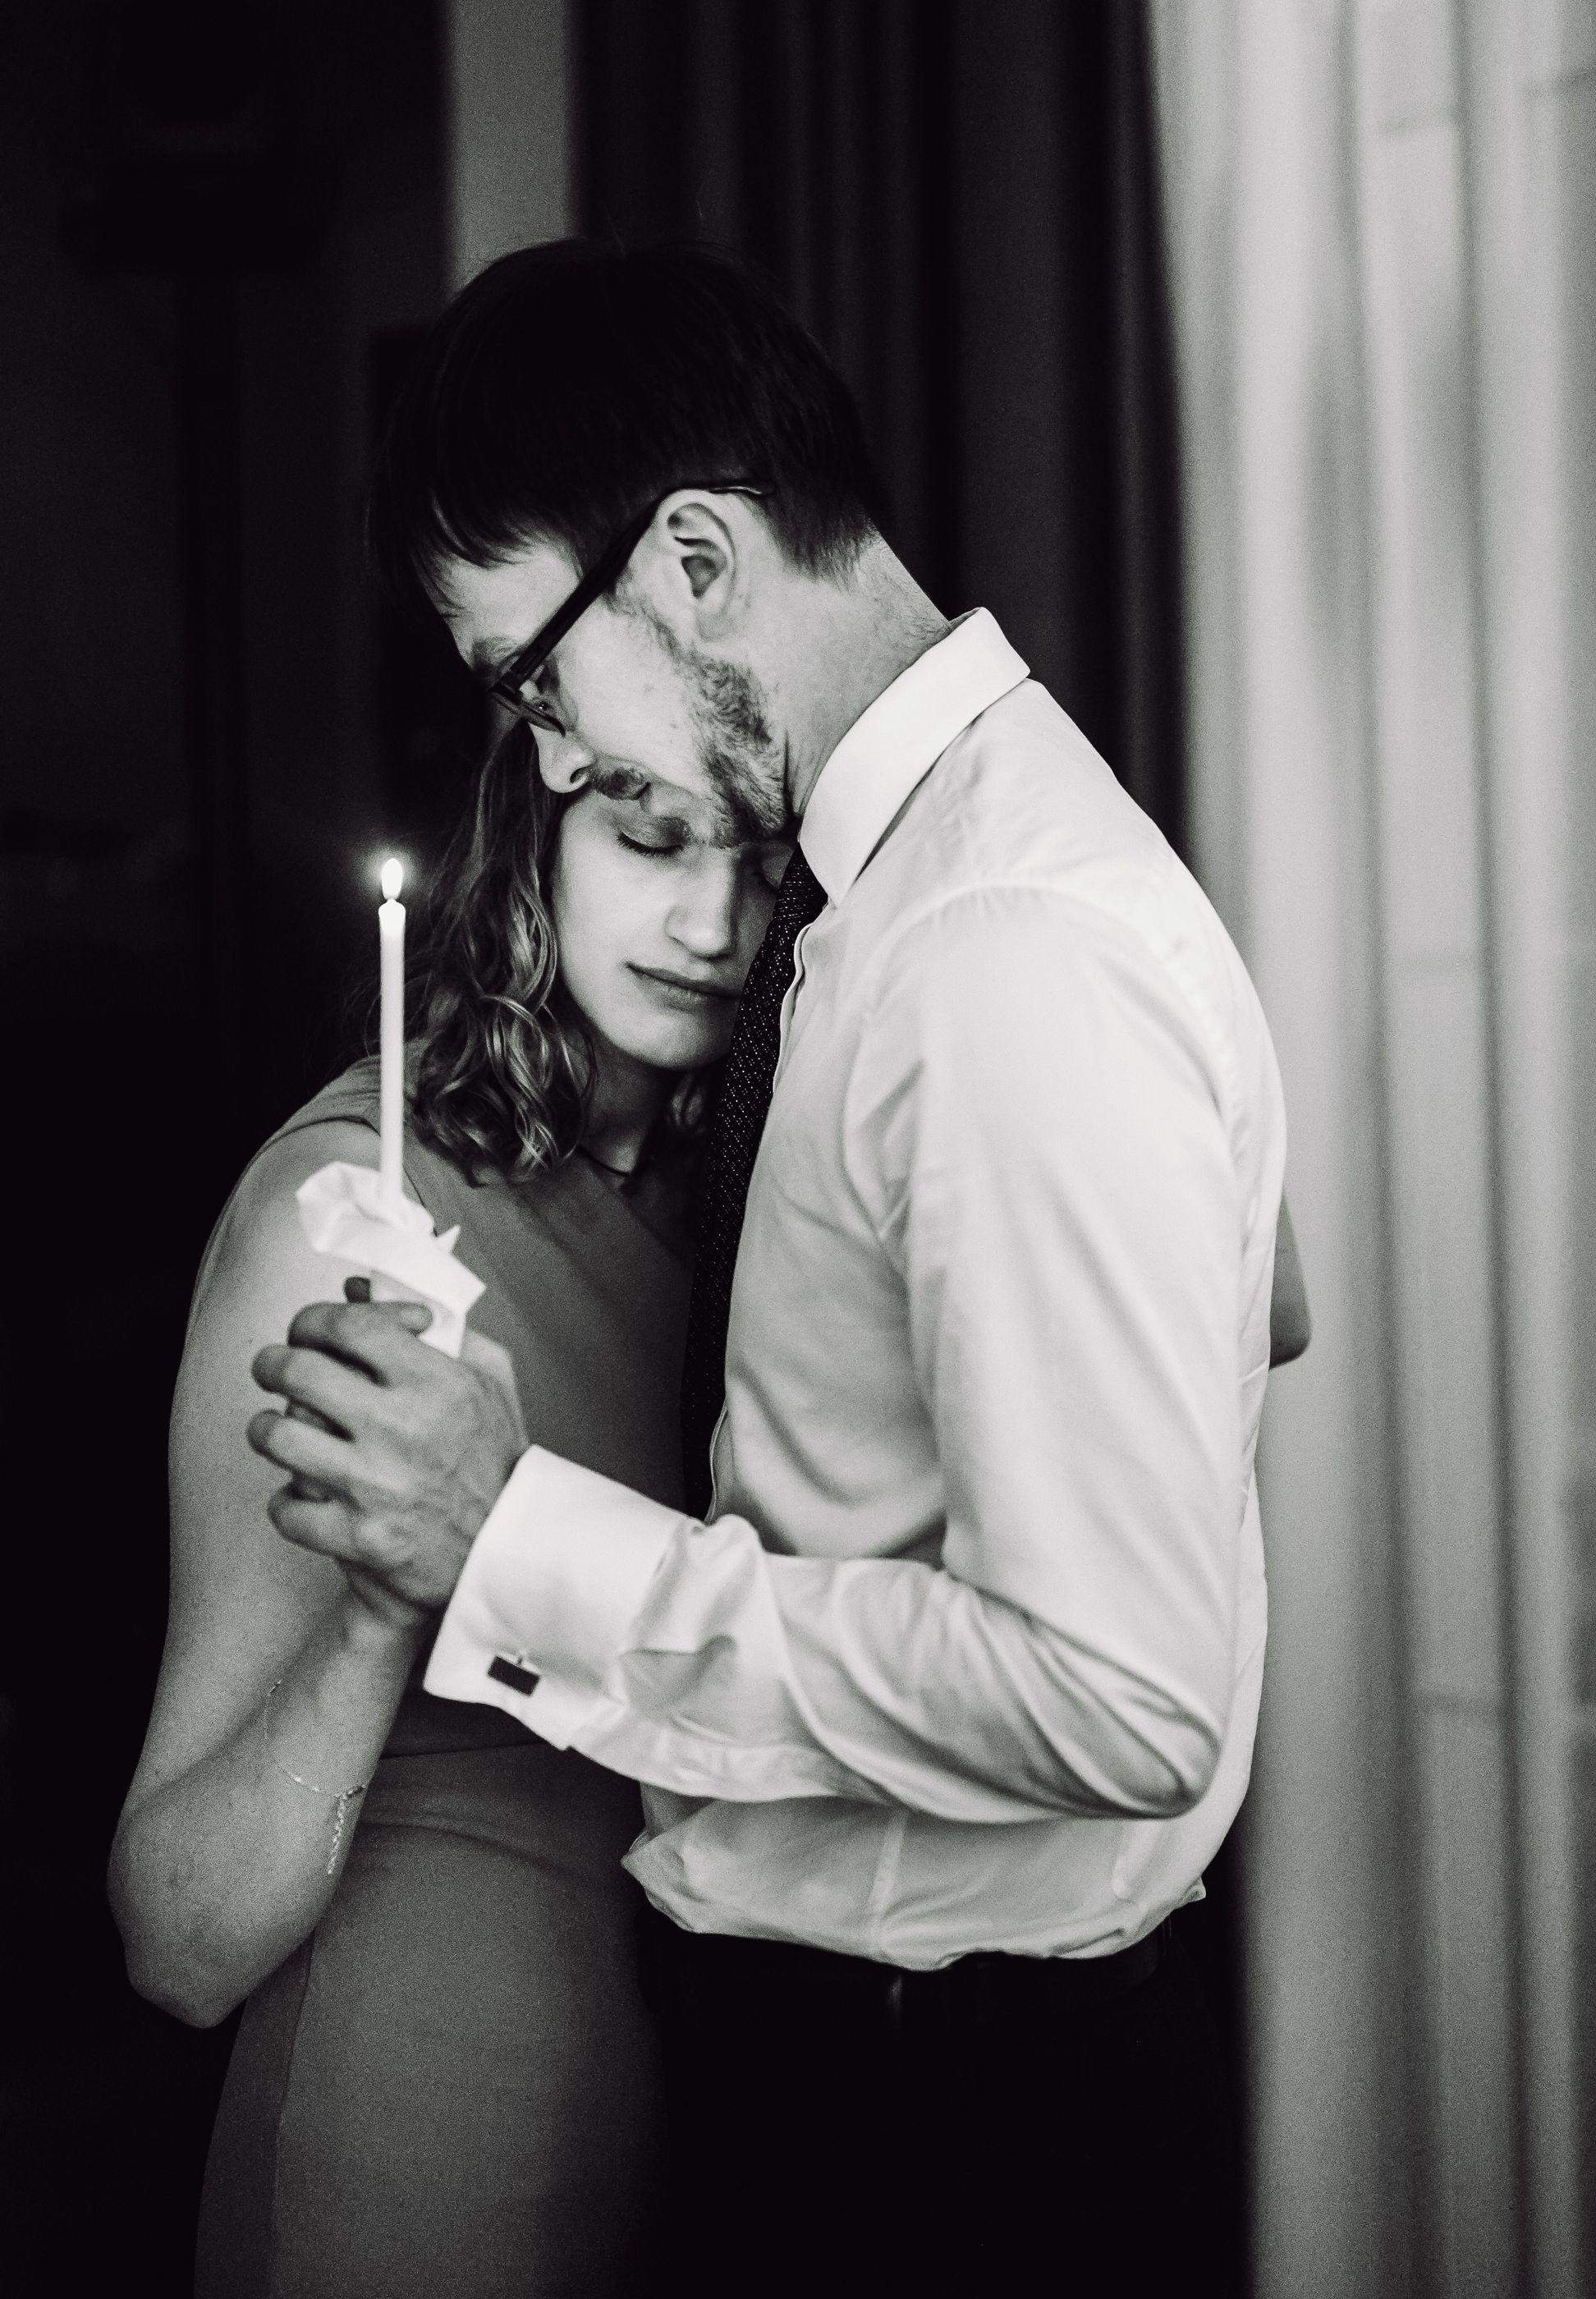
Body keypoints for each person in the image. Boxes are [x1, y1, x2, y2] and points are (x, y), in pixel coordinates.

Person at [249, 239, 1305, 2298]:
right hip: (899, 2072)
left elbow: (1120, 1699)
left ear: (695, 562)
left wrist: (507, 1533)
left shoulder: (991, 944)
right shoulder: (926, 882)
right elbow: (1265, 1300)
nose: (552, 758)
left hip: (949, 2131)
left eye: (534, 678)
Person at [108, 630, 794, 2292]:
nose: (713, 923)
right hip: (413, 2139)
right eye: (651, 836)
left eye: (763, 862)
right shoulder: (351, 1216)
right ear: (536, 818)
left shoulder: (760, 1213)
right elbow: (175, 1936)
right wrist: (380, 1610)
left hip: (699, 2136)